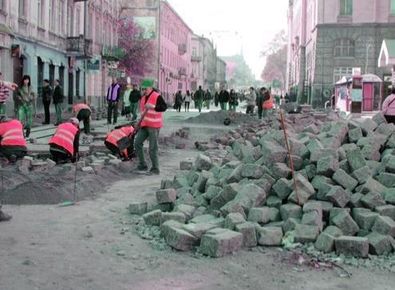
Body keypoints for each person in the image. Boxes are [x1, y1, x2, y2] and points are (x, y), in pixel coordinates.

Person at [134, 79, 167, 174]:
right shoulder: (143, 98)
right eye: (142, 88)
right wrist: (138, 123)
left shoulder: (157, 96)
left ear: (150, 88)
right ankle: (142, 164)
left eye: (145, 88)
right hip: (144, 125)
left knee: (152, 148)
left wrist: (153, 106)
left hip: (154, 126)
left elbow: (164, 107)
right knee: (137, 143)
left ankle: (155, 168)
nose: (143, 90)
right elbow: (142, 112)